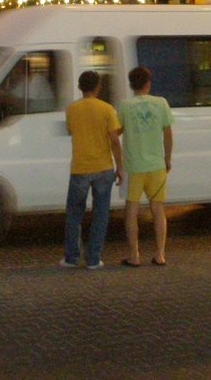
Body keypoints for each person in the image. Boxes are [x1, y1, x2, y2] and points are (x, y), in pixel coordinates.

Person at [60, 70, 123, 270]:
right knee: (101, 214)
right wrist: (119, 167)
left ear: (80, 87)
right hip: (103, 168)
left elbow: (71, 130)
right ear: (98, 87)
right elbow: (114, 140)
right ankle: (94, 259)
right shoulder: (107, 109)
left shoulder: (71, 109)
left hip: (80, 168)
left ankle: (71, 258)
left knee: (74, 214)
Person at [117, 66, 174, 267]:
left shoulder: (124, 106)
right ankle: (160, 254)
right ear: (148, 83)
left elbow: (117, 131)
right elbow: (167, 133)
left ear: (131, 85)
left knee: (131, 211)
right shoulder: (161, 103)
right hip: (157, 165)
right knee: (158, 210)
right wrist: (167, 158)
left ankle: (134, 256)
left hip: (133, 167)